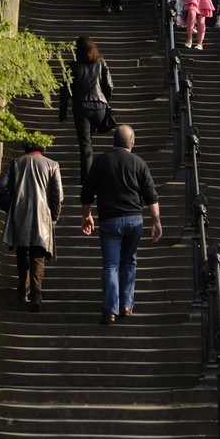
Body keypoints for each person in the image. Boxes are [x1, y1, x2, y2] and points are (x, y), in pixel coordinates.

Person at [80, 123, 162, 324]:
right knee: (129, 261)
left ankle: (110, 310)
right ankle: (126, 305)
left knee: (111, 265)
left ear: (113, 141)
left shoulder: (101, 162)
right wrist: (156, 221)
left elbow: (87, 193)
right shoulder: (139, 163)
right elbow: (151, 196)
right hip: (134, 220)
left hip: (110, 220)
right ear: (132, 143)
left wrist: (86, 215)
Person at [0, 144, 64, 312]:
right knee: (38, 256)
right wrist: (54, 216)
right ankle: (36, 294)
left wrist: (11, 199)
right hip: (42, 214)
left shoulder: (15, 163)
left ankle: (23, 288)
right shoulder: (52, 165)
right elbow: (57, 195)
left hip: (20, 212)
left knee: (22, 251)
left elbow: (0, 184)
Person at [60, 35, 113, 184]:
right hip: (100, 107)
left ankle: (88, 180)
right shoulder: (101, 63)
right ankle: (97, 175)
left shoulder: (72, 66)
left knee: (85, 143)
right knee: (88, 140)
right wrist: (105, 101)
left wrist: (62, 111)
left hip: (82, 107)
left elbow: (65, 91)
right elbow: (109, 86)